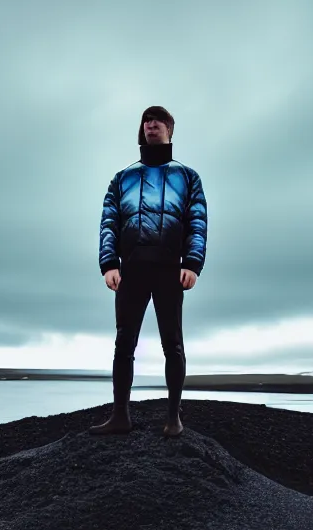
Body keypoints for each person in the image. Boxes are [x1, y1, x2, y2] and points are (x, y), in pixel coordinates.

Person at [89, 106, 208, 438]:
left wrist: (192, 264)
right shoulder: (123, 177)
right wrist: (109, 263)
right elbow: (109, 222)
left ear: (170, 129)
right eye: (146, 120)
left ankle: (173, 418)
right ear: (141, 130)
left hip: (171, 269)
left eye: (158, 120)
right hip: (132, 270)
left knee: (173, 343)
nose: (151, 124)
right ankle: (120, 416)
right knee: (124, 343)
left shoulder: (188, 177)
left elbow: (197, 222)